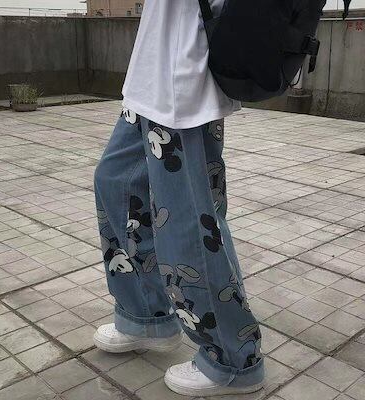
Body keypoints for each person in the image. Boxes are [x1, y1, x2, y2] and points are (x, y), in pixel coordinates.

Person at [93, 0, 264, 396]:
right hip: (150, 77)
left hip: (184, 78)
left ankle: (235, 358)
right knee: (115, 182)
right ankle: (147, 316)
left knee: (189, 224)